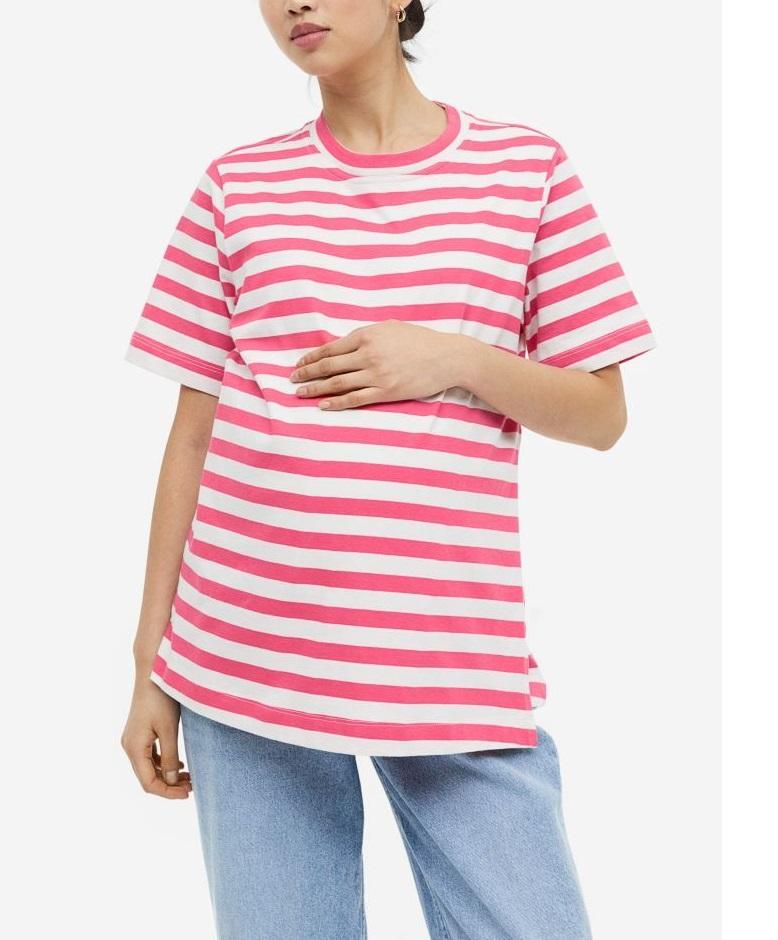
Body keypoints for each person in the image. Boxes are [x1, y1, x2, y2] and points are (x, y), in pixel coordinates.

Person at [120, 2, 658, 937]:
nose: (294, 3)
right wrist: (149, 665)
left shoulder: (523, 169)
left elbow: (602, 415)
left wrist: (457, 358)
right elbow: (194, 437)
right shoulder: (237, 185)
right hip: (246, 660)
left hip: (446, 663)